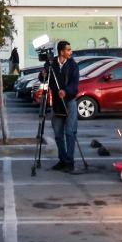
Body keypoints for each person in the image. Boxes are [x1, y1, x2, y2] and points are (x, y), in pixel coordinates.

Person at [46, 40, 80, 172]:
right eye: (68, 50)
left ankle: (70, 161)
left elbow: (75, 83)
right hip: (56, 101)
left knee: (70, 132)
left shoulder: (73, 65)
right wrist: (43, 74)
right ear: (62, 52)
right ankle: (63, 159)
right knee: (58, 133)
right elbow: (44, 77)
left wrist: (66, 91)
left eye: (70, 50)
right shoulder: (52, 63)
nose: (70, 52)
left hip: (69, 100)